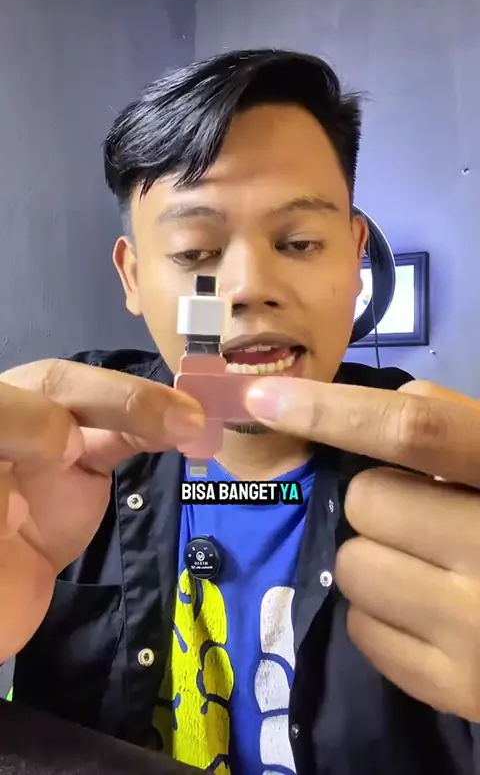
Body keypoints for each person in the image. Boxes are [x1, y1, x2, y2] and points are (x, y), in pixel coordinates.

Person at [1, 49, 480, 775]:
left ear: (356, 259)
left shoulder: (451, 489)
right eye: (197, 252)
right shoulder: (51, 454)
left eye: (299, 243)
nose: (249, 287)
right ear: (133, 276)